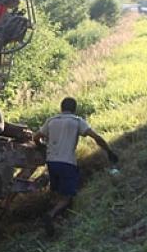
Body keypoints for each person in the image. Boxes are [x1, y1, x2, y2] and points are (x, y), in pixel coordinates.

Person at [37, 97, 118, 237]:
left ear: (61, 108)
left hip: (51, 162)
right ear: (75, 109)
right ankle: (51, 215)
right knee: (68, 197)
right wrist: (109, 151)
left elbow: (35, 137)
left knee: (57, 191)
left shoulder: (51, 121)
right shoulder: (76, 121)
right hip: (67, 162)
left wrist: (42, 146)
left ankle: (57, 218)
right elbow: (96, 137)